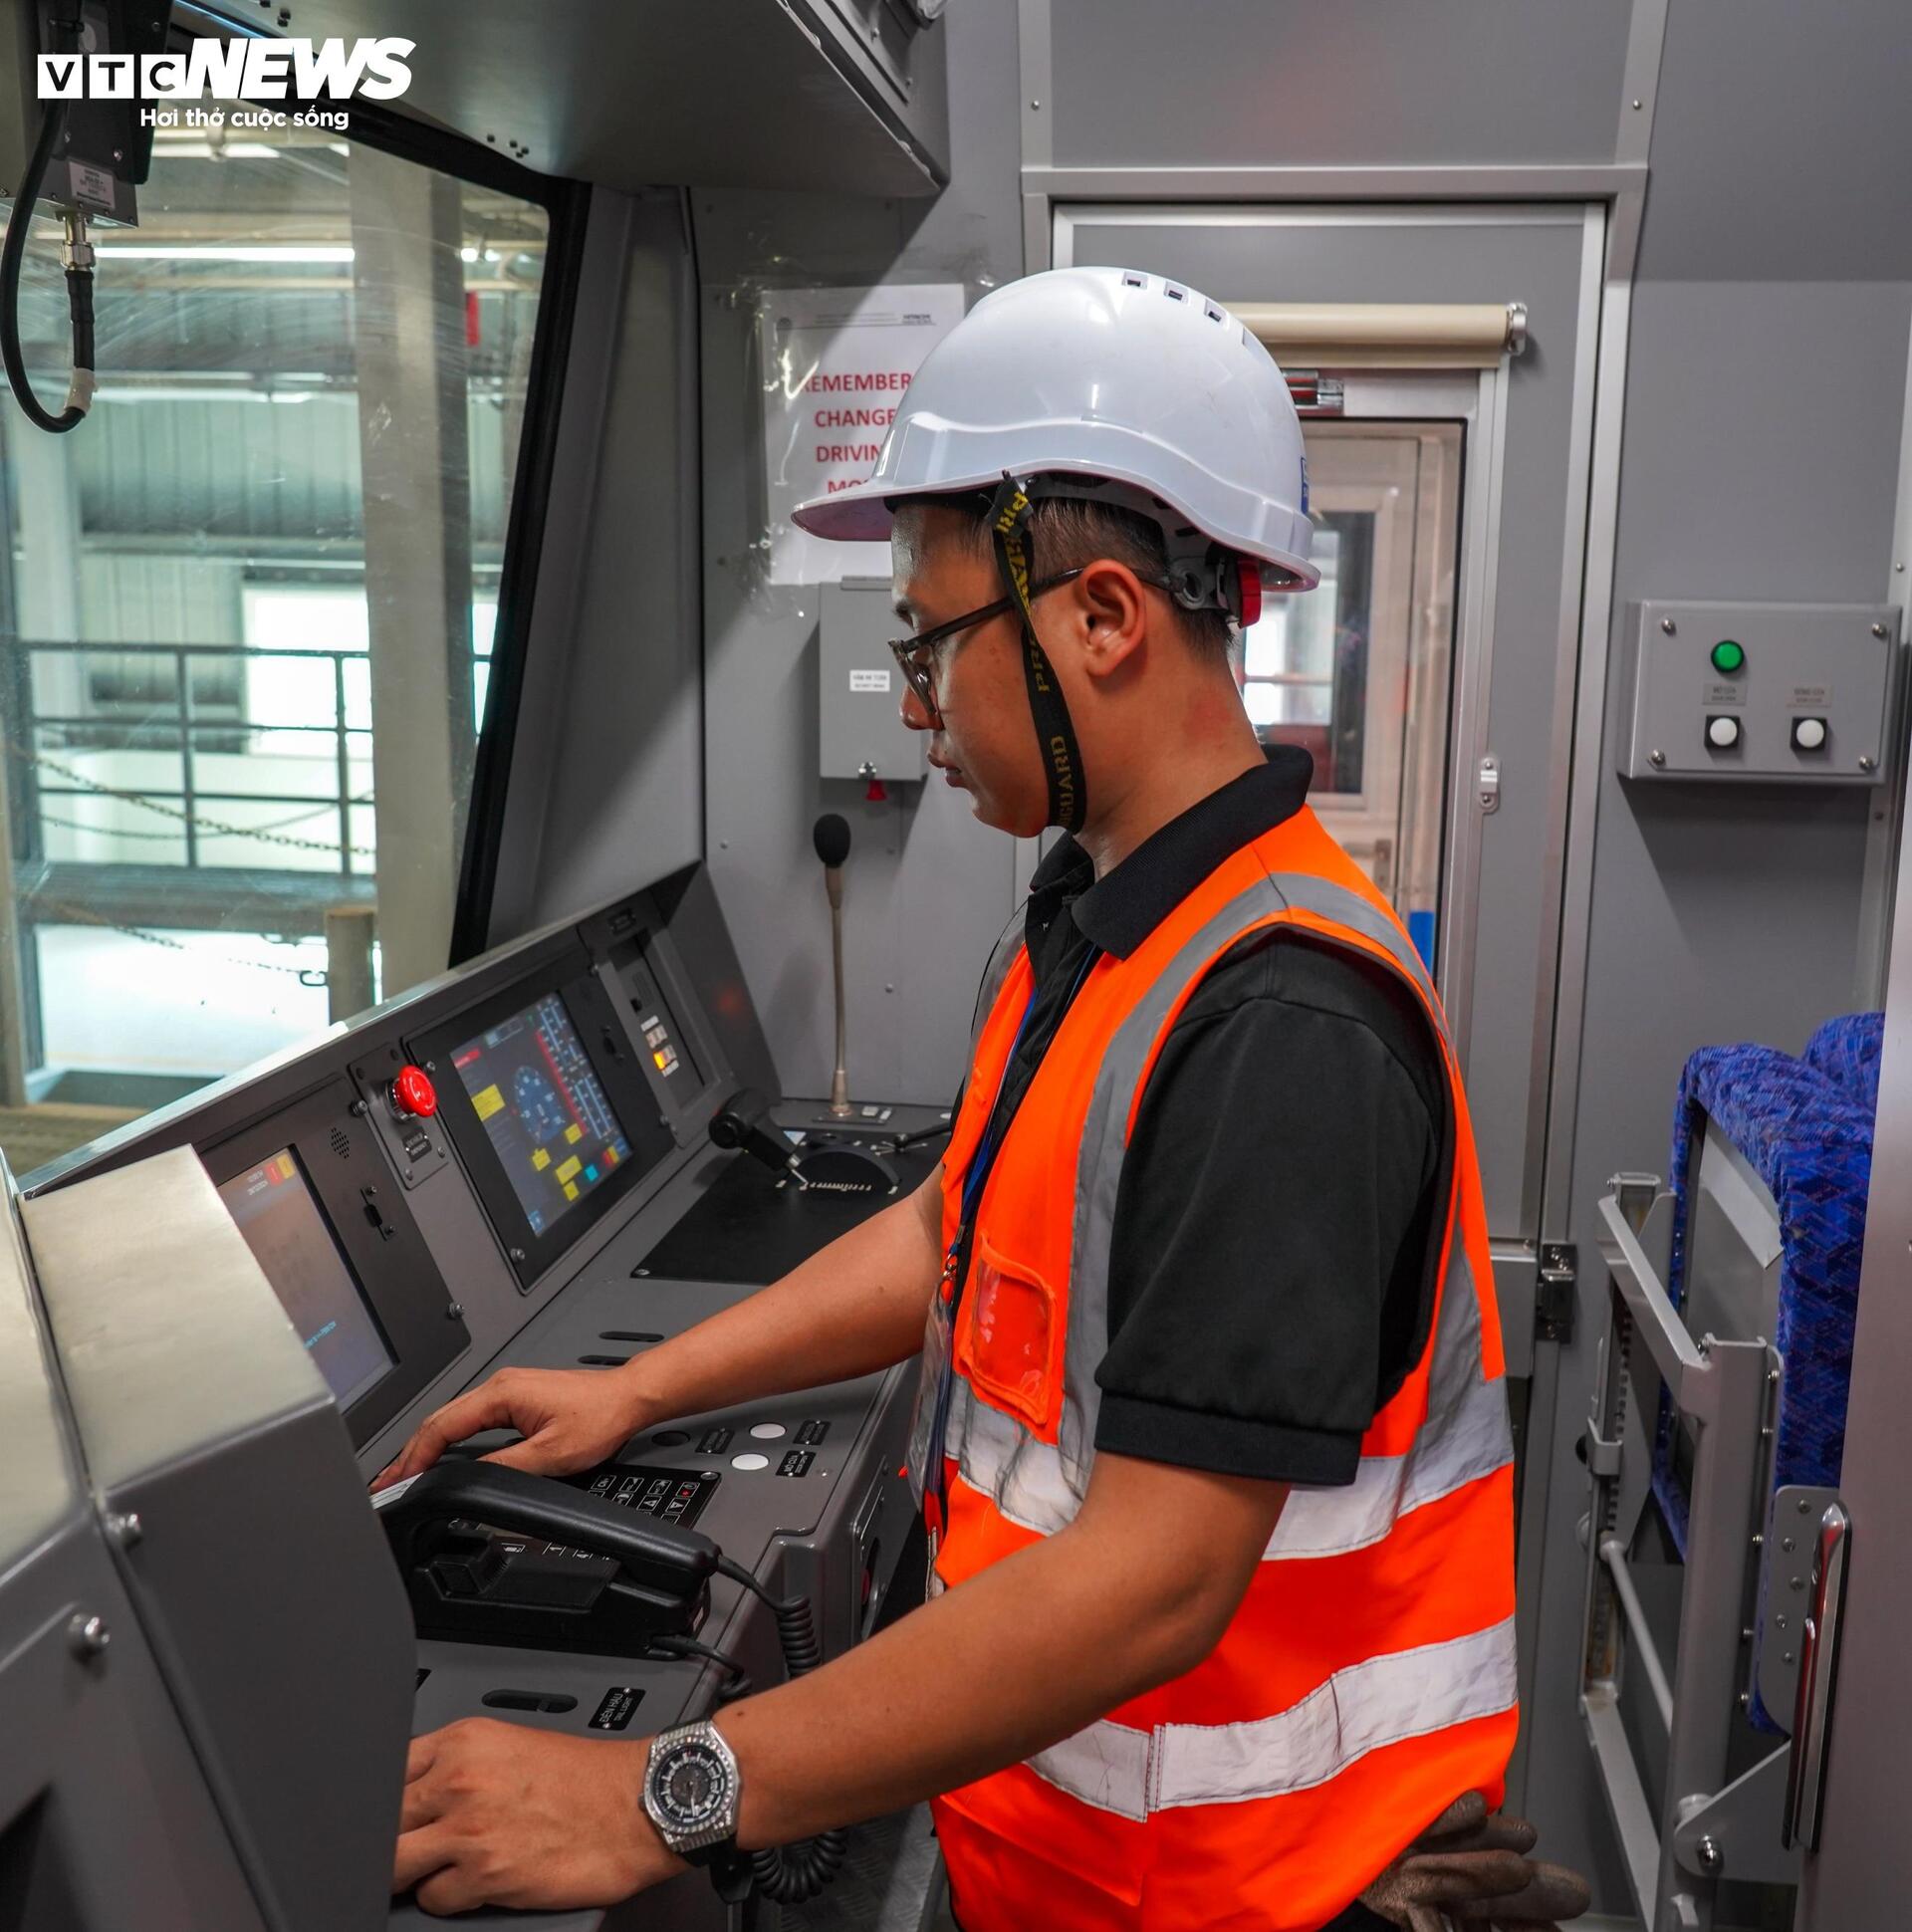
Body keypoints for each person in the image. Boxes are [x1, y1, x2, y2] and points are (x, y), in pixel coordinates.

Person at [379, 266, 1538, 1931]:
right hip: (1063, 1860)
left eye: (928, 642)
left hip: (1247, 1896)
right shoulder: (1099, 921)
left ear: (1106, 619)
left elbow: (1151, 1585)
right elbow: (954, 1229)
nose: (913, 707)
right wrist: (638, 1393)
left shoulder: (1283, 1021)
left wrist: (659, 1794)